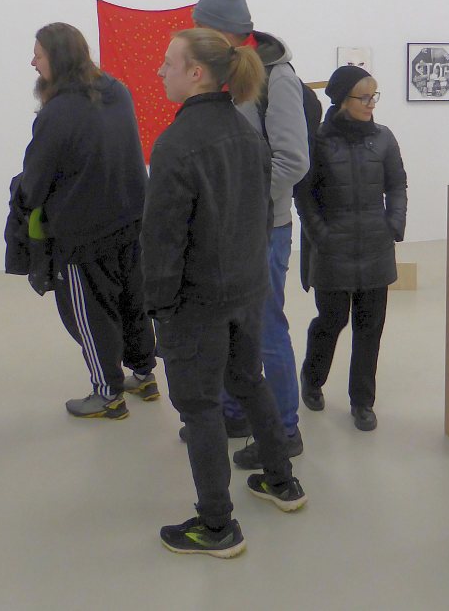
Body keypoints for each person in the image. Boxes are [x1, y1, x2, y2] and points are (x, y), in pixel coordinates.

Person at [143, 28, 307, 559]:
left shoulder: (176, 145)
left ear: (197, 74)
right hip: (244, 288)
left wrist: (159, 308)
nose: (160, 71)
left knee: (199, 408)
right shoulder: (246, 133)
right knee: (247, 379)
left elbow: (163, 240)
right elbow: (260, 217)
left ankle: (217, 526)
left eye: (169, 63)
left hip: (197, 301)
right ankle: (282, 481)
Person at [189, 0, 308, 468]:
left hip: (264, 228)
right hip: (228, 227)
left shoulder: (278, 77)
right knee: (231, 326)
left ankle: (284, 430)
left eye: (200, 27)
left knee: (266, 328)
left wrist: (244, 204)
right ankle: (235, 412)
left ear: (223, 31)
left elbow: (293, 160)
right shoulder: (220, 73)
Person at [18, 22, 158, 419]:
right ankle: (144, 375)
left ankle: (108, 394)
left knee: (91, 313)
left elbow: (35, 181)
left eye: (38, 55)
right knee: (133, 302)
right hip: (132, 219)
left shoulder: (57, 112)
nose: (32, 62)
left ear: (57, 58)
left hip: (84, 232)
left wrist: (26, 200)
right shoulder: (117, 90)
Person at [296, 65, 407, 432]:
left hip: (375, 247)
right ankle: (312, 378)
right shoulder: (318, 140)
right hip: (333, 249)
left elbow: (397, 185)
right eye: (364, 97)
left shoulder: (384, 138)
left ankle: (362, 402)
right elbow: (305, 195)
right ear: (343, 99)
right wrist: (320, 235)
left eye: (374, 96)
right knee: (331, 321)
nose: (372, 103)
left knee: (369, 328)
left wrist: (394, 224)